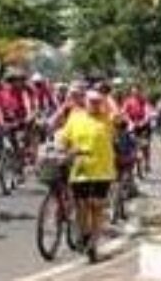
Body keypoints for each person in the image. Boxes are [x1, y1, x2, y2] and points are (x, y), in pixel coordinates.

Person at [56, 89, 117, 261]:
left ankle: (93, 245)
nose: (95, 104)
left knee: (96, 206)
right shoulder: (75, 117)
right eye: (92, 101)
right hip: (80, 169)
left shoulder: (107, 119)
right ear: (85, 102)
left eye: (98, 101)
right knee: (81, 205)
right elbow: (64, 139)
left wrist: (108, 99)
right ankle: (85, 235)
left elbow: (118, 115)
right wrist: (64, 149)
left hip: (102, 170)